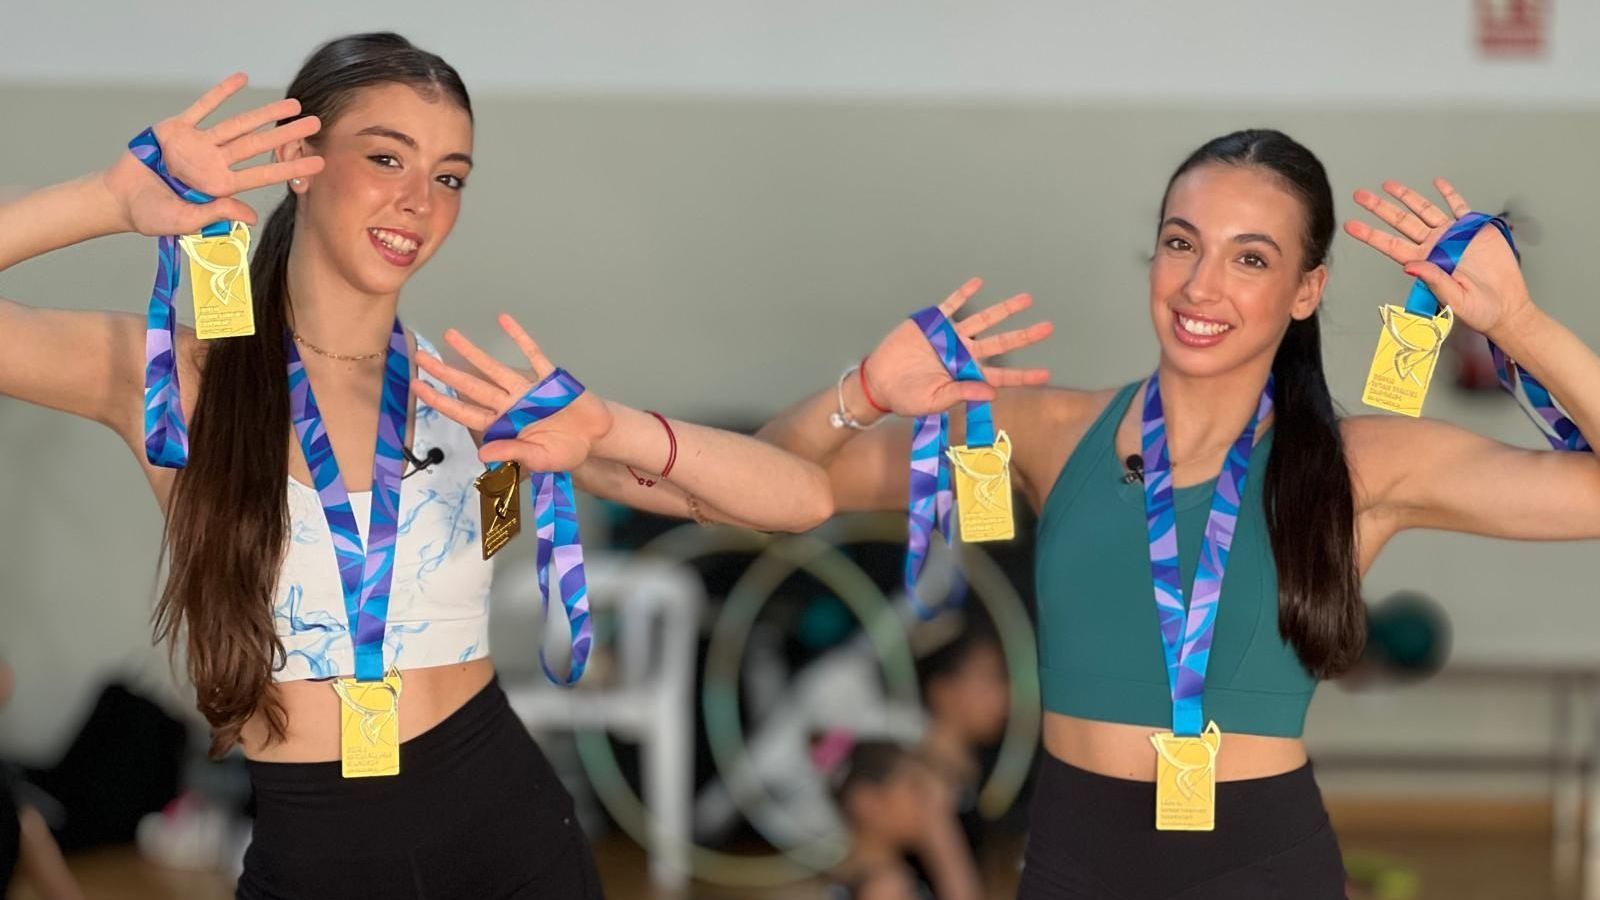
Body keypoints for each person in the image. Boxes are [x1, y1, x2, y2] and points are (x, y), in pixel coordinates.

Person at [0, 32, 834, 899]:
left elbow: (798, 498)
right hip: (313, 858)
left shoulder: (475, 401)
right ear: (301, 161)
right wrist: (104, 199)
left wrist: (612, 427)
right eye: (386, 157)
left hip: (514, 839)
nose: (417, 202)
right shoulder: (177, 379)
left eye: (448, 176)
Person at [758, 128, 1600, 898]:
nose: (1201, 285)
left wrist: (1520, 324)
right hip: (1070, 865)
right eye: (1180, 244)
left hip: (1264, 867)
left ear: (1308, 289)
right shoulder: (1047, 432)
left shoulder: (1365, 465)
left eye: (1250, 259)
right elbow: (780, 483)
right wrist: (863, 390)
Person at [815, 735, 982, 900]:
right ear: (868, 802)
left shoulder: (877, 877)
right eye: (916, 788)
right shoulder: (884, 888)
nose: (932, 801)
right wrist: (942, 834)